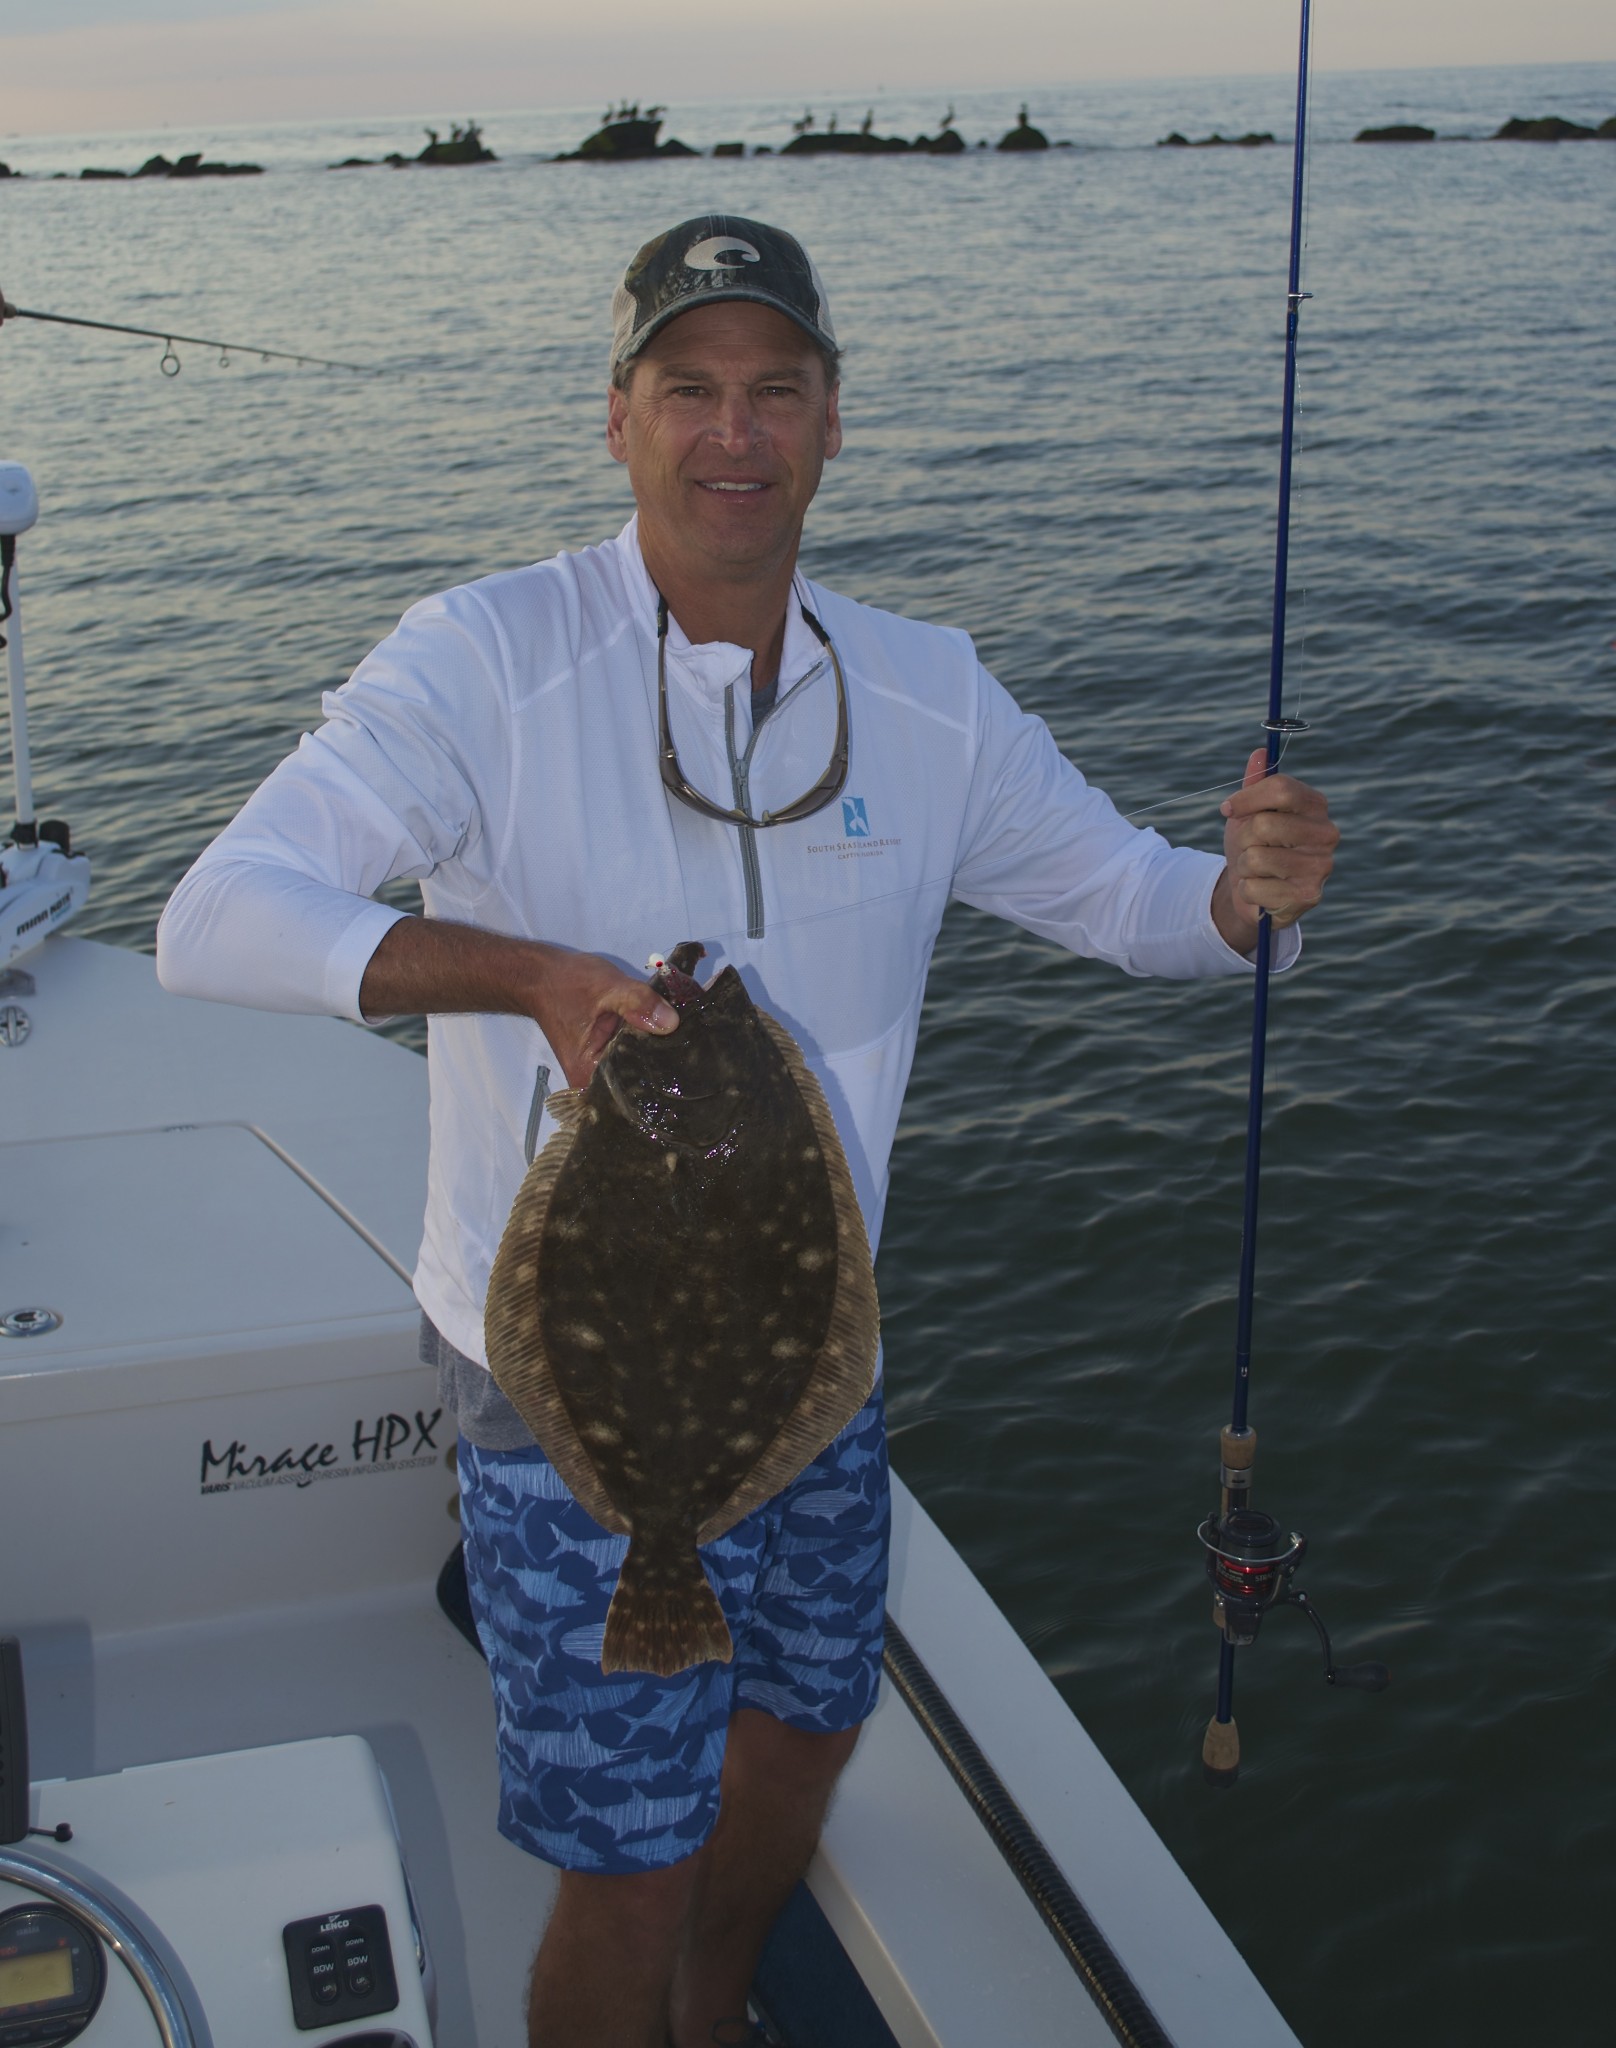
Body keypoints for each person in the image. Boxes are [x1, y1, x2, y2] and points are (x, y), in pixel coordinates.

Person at [157, 214, 1338, 2048]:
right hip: (565, 1389)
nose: (735, 432)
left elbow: (1134, 903)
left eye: (775, 389)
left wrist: (1248, 894)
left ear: (833, 423)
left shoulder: (929, 689)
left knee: (803, 1727)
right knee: (624, 1852)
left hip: (817, 1364)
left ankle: (719, 2015)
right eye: (689, 389)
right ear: (616, 417)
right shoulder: (481, 659)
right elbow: (211, 921)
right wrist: (529, 973)